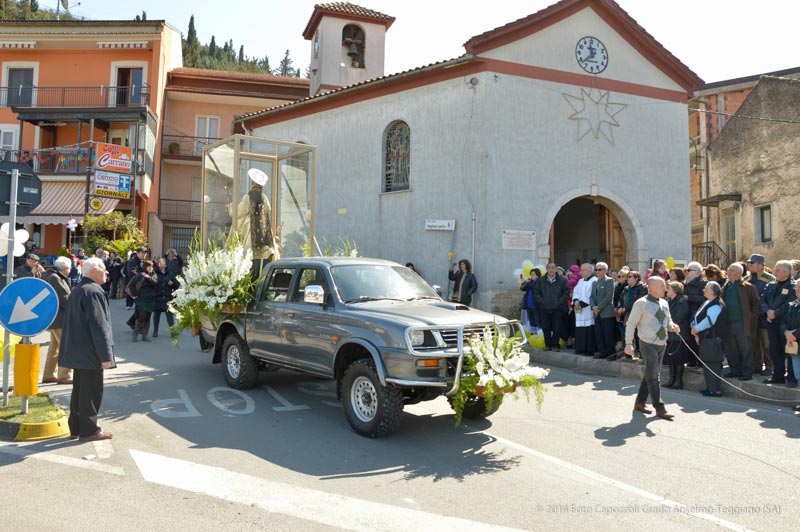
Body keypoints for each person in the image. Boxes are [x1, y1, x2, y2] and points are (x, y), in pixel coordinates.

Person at [58, 257, 115, 441]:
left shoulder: (79, 290)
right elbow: (99, 326)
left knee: (80, 392)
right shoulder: (93, 291)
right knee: (91, 393)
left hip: (79, 350)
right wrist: (106, 355)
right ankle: (89, 430)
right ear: (93, 272)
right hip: (90, 352)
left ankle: (76, 427)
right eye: (103, 268)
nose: (106, 272)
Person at [625, 276, 679, 420]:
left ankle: (639, 403)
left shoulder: (664, 303)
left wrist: (672, 326)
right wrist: (628, 344)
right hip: (647, 343)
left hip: (662, 343)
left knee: (650, 373)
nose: (666, 288)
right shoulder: (641, 303)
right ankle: (659, 408)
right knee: (654, 376)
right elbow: (631, 324)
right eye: (663, 286)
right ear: (653, 287)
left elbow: (668, 321)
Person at [720, 263, 760, 381]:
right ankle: (735, 370)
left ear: (739, 273)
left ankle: (747, 373)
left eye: (731, 270)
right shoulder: (726, 286)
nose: (728, 272)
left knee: (745, 348)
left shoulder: (748, 287)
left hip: (743, 323)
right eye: (728, 270)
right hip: (728, 322)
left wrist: (752, 318)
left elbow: (756, 304)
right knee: (730, 348)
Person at [761, 260, 798, 386]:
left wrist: (775, 313)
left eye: (777, 269)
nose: (774, 271)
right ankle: (778, 375)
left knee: (789, 352)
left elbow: (789, 304)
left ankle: (792, 378)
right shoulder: (771, 285)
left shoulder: (793, 286)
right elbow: (762, 299)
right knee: (775, 351)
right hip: (772, 323)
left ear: (786, 272)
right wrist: (767, 311)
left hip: (785, 324)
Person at [691, 281, 727, 397]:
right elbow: (699, 316)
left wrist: (696, 329)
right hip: (705, 338)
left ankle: (714, 389)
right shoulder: (708, 302)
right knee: (707, 363)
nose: (704, 290)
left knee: (712, 364)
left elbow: (709, 321)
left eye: (706, 288)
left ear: (713, 291)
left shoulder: (716, 304)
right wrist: (694, 326)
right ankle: (710, 387)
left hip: (712, 338)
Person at [41, 257, 73, 385]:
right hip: (60, 318)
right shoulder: (55, 278)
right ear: (65, 268)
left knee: (54, 348)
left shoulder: (49, 275)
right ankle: (64, 375)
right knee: (65, 347)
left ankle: (49, 374)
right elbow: (64, 298)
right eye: (69, 269)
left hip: (53, 317)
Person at [746, 253, 775, 377]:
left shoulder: (770, 279)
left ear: (760, 265)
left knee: (767, 344)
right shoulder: (746, 279)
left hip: (764, 316)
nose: (749, 265)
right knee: (754, 343)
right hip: (752, 317)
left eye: (752, 263)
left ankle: (769, 367)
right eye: (749, 263)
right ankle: (757, 366)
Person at [533, 262, 570, 351]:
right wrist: (543, 302)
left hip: (558, 308)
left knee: (557, 328)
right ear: (547, 269)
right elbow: (536, 293)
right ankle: (548, 345)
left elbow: (566, 293)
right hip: (544, 308)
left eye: (553, 267)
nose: (551, 269)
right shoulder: (540, 281)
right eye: (549, 268)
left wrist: (558, 302)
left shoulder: (562, 280)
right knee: (546, 327)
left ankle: (555, 345)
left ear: (556, 269)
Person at [616, 270, 647, 360]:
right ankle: (628, 354)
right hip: (626, 315)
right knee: (627, 334)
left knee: (638, 335)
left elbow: (639, 301)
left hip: (638, 314)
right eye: (627, 276)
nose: (628, 278)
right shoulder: (626, 288)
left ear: (636, 278)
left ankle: (641, 355)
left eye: (630, 277)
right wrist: (619, 307)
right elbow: (620, 299)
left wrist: (625, 307)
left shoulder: (643, 288)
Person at [665, 281, 690, 389]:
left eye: (669, 288)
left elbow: (678, 317)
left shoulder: (681, 301)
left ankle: (678, 381)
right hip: (670, 334)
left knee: (678, 359)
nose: (667, 290)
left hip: (679, 334)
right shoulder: (668, 301)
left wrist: (668, 323)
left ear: (675, 290)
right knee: (671, 359)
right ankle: (671, 379)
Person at [780, 281, 800, 412]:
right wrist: (786, 332)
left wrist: (795, 334)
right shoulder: (792, 305)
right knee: (798, 375)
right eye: (797, 287)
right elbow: (783, 321)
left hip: (795, 340)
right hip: (793, 345)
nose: (797, 289)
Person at [590, 262, 617, 359]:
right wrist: (593, 306)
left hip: (606, 313)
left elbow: (608, 297)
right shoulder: (594, 282)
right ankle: (602, 352)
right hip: (597, 313)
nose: (597, 271)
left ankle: (611, 354)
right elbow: (592, 297)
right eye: (596, 269)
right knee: (599, 334)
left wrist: (598, 307)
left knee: (608, 334)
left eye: (600, 269)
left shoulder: (609, 281)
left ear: (605, 270)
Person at [683, 262, 707, 367]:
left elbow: (705, 299)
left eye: (689, 270)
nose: (686, 272)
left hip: (697, 314)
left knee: (698, 340)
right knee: (689, 340)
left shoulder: (703, 283)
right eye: (686, 270)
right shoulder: (685, 283)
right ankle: (691, 360)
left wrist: (689, 298)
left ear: (696, 272)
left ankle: (701, 362)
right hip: (686, 314)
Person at [571, 263, 597, 356]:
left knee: (588, 329)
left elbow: (592, 295)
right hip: (579, 309)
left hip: (588, 309)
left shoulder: (594, 280)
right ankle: (580, 347)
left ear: (588, 271)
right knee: (580, 329)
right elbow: (576, 291)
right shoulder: (581, 281)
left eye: (582, 270)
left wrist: (581, 303)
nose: (580, 272)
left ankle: (589, 349)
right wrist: (576, 300)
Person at [131, 259, 158, 342]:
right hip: (142, 299)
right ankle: (135, 333)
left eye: (152, 266)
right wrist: (134, 295)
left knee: (148, 318)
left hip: (151, 299)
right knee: (142, 316)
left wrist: (149, 278)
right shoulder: (140, 275)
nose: (150, 268)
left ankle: (145, 335)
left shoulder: (154, 275)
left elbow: (156, 284)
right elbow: (132, 285)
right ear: (145, 267)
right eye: (149, 266)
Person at [152, 257, 179, 338]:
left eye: (162, 261)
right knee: (156, 315)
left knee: (169, 315)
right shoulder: (154, 273)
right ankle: (155, 331)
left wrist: (172, 284)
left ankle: (173, 332)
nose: (160, 262)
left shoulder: (170, 274)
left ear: (166, 264)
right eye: (159, 261)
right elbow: (151, 284)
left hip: (167, 297)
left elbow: (177, 285)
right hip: (157, 297)